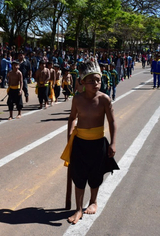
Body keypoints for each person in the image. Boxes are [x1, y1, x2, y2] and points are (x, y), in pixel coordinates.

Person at [60, 59, 119, 224]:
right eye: (91, 80)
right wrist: (69, 134)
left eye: (98, 80)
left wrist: (113, 143)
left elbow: (112, 122)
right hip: (79, 143)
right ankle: (78, 209)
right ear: (83, 82)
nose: (96, 83)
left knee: (95, 175)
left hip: (98, 143)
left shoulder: (104, 99)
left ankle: (93, 201)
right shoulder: (77, 99)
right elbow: (72, 118)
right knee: (78, 176)